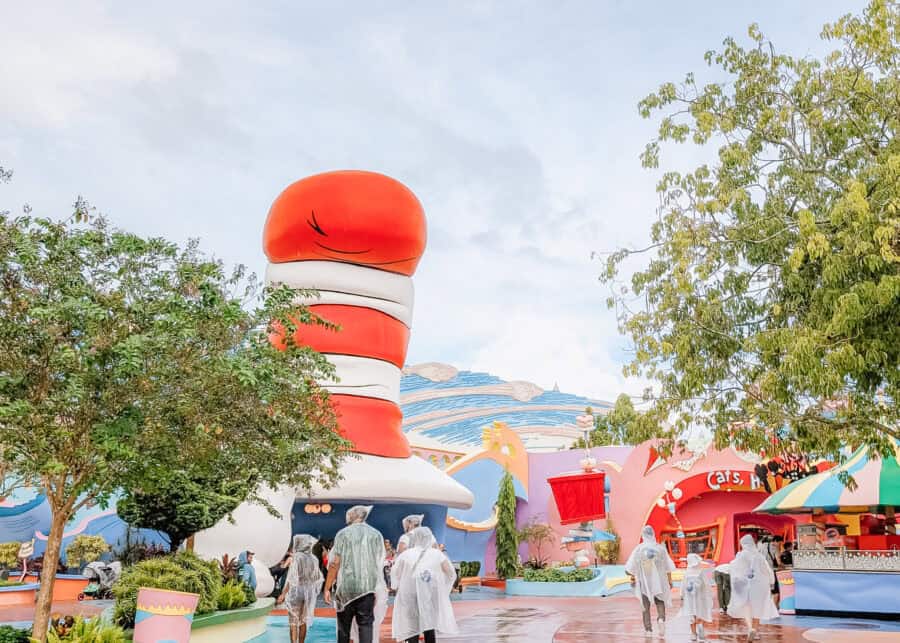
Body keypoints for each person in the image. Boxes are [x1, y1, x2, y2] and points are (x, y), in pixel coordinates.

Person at [325, 505, 386, 643]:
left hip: (346, 588)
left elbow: (335, 563)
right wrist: (377, 589)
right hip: (367, 589)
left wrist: (327, 587)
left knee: (343, 628)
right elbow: (379, 564)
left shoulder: (342, 534)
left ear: (353, 516)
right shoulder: (376, 535)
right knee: (365, 625)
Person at [391, 526, 458, 643]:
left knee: (412, 626)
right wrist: (444, 587)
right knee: (429, 624)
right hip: (430, 594)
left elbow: (395, 573)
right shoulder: (437, 554)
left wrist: (395, 586)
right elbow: (451, 573)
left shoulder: (406, 554)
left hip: (409, 594)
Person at [624, 525, 676, 637]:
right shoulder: (661, 549)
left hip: (644, 582)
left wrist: (632, 576)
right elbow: (668, 567)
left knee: (645, 606)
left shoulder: (638, 549)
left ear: (643, 535)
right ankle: (661, 619)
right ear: (653, 534)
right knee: (660, 602)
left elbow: (629, 568)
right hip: (660, 582)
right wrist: (670, 581)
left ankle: (648, 630)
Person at [728, 535, 778, 641]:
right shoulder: (759, 556)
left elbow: (734, 568)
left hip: (745, 586)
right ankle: (755, 629)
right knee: (757, 608)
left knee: (746, 608)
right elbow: (766, 569)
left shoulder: (741, 556)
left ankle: (750, 628)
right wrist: (771, 580)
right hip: (759, 586)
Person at [278, 535, 324, 643]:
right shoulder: (314, 559)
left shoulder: (297, 557)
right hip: (308, 592)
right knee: (303, 620)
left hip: (296, 591)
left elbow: (291, 578)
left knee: (293, 620)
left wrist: (283, 594)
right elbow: (318, 578)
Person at [679, 554, 712, 642]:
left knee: (691, 614)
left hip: (689, 597)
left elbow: (683, 585)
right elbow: (706, 584)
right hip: (700, 597)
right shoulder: (701, 571)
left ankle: (693, 634)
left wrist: (681, 596)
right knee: (700, 612)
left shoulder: (687, 572)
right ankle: (701, 627)